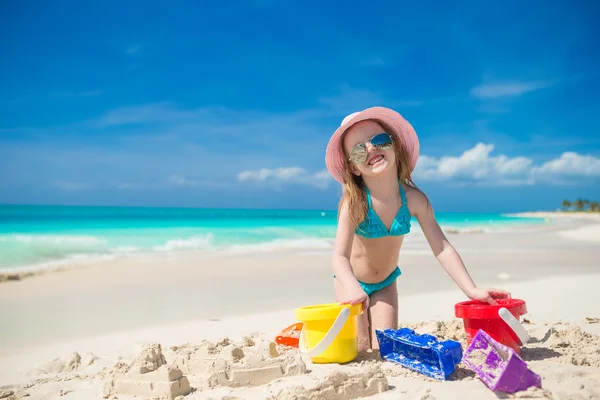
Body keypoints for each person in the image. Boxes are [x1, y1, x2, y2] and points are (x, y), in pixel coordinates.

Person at [324, 106, 511, 351]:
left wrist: (471, 289)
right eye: (359, 151)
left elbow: (442, 247)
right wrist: (352, 287)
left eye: (379, 140)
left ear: (395, 146)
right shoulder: (354, 204)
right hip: (351, 283)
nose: (371, 149)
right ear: (354, 168)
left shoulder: (414, 200)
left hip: (386, 283)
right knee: (358, 348)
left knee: (384, 348)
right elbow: (339, 257)